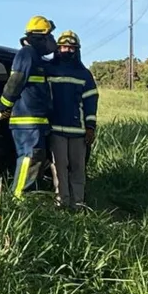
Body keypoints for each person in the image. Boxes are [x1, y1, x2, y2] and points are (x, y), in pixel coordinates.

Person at [0, 15, 57, 199]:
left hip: (37, 122)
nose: (52, 41)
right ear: (40, 37)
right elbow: (15, 82)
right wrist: (2, 107)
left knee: (36, 160)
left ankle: (29, 196)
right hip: (27, 121)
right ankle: (19, 198)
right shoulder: (26, 54)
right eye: (50, 36)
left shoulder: (37, 58)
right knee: (29, 158)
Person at [46, 30, 99, 209]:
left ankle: (78, 204)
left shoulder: (84, 74)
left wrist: (90, 127)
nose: (66, 50)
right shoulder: (49, 70)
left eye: (70, 47)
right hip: (56, 130)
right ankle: (61, 203)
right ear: (57, 48)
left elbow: (91, 101)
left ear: (76, 50)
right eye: (63, 46)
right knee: (59, 168)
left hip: (78, 131)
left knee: (78, 169)